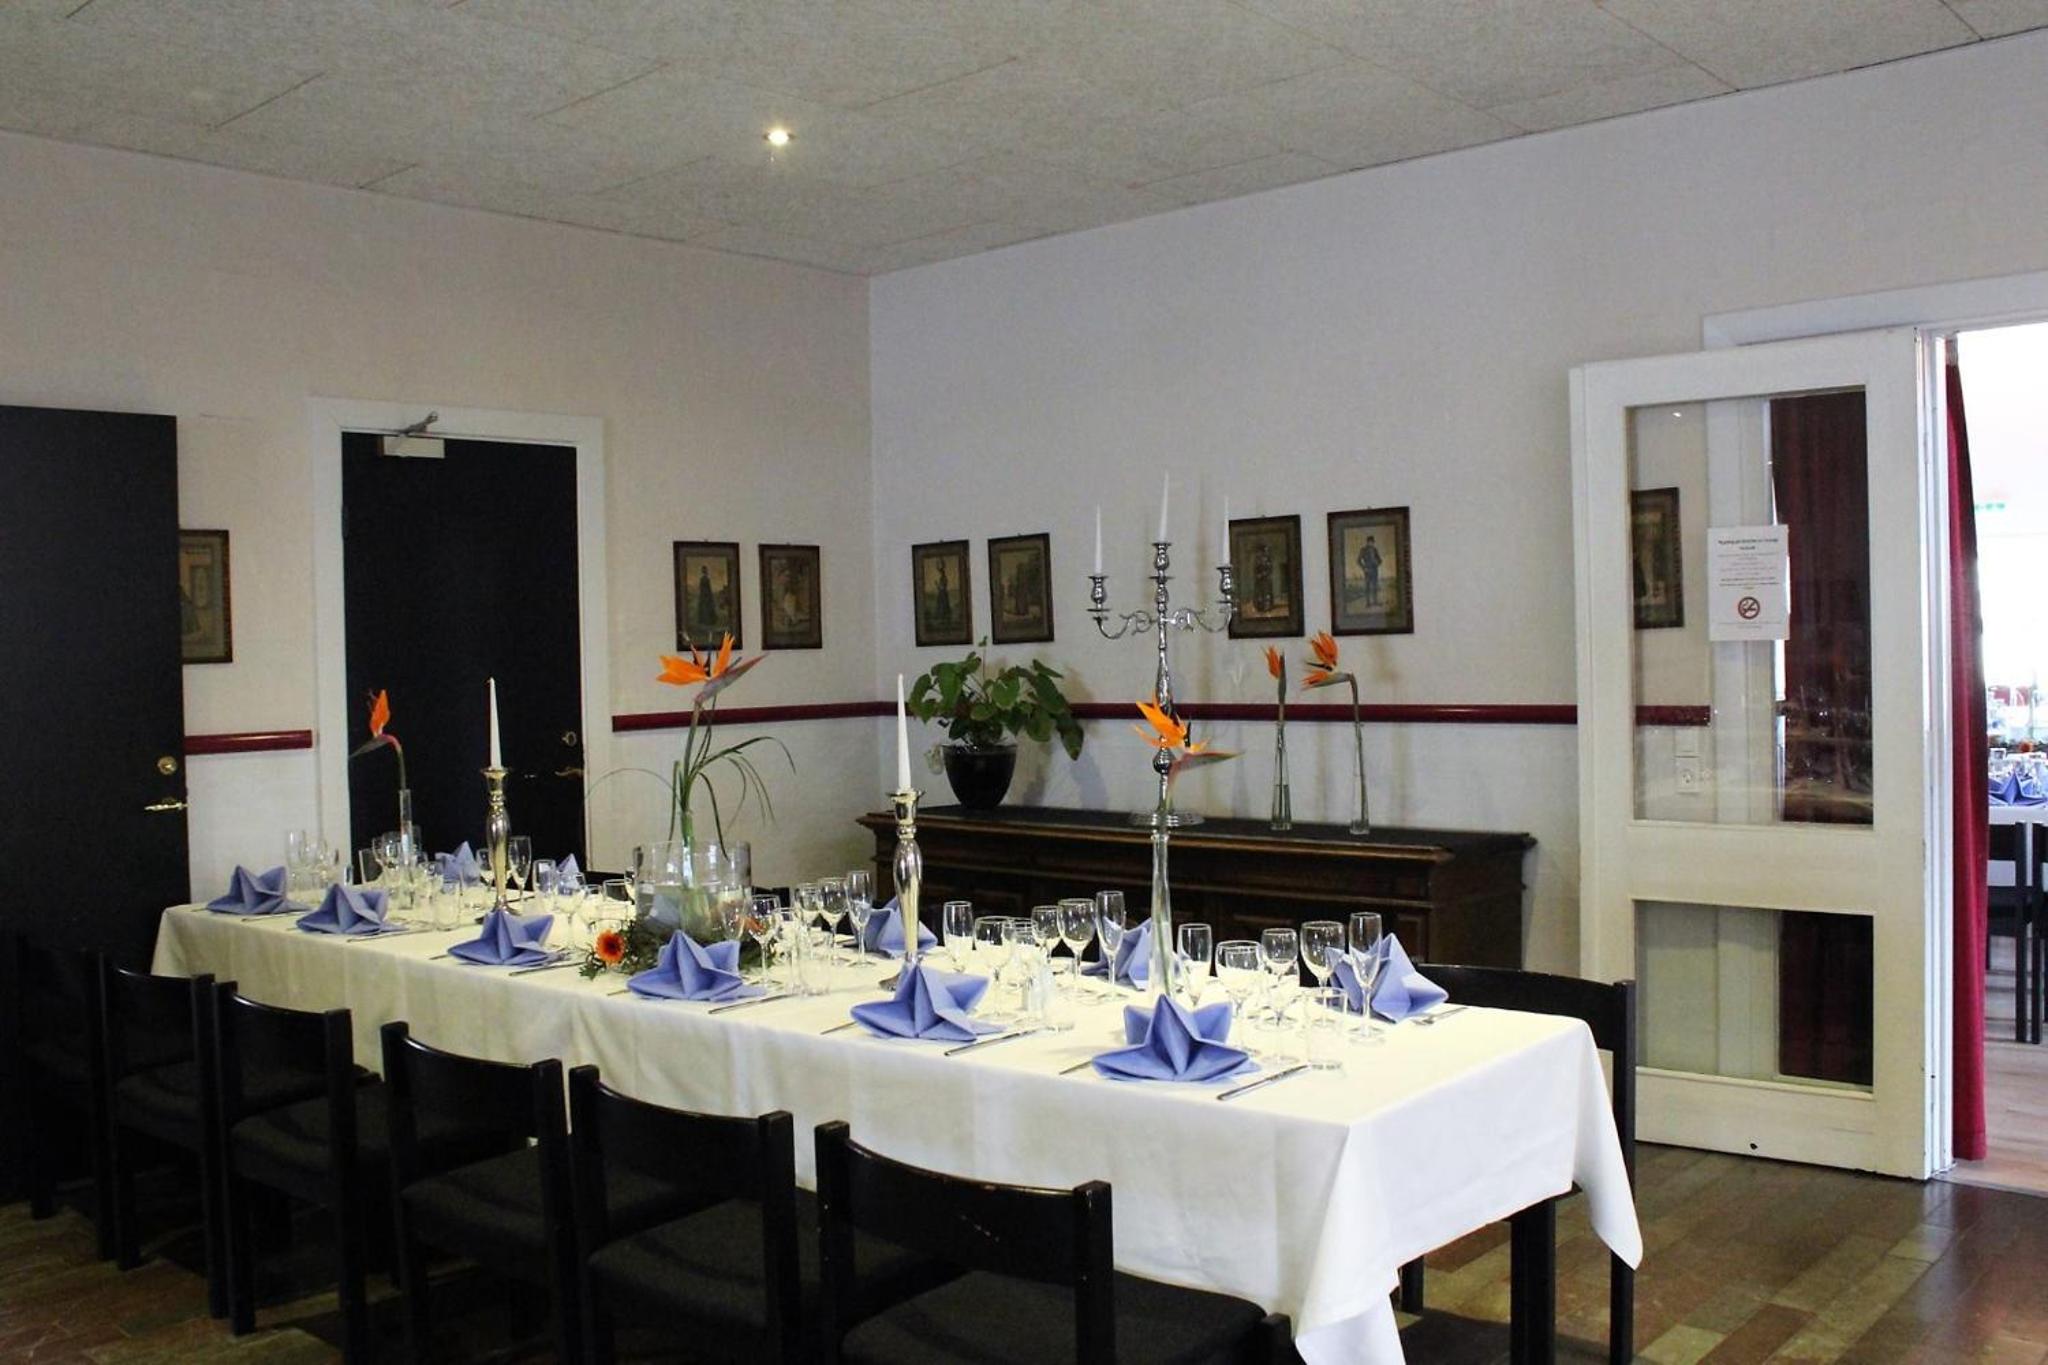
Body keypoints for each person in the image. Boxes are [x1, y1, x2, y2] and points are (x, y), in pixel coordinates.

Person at [1359, 535, 1383, 608]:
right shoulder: (1363, 550)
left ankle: (1375, 602)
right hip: (1367, 571)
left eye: (1372, 542)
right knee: (1367, 587)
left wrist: (1377, 563)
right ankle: (1368, 603)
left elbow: (1380, 560)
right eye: (1370, 542)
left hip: (1375, 570)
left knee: (1375, 586)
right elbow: (1358, 560)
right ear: (1367, 542)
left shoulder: (1375, 550)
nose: (1371, 543)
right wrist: (1364, 568)